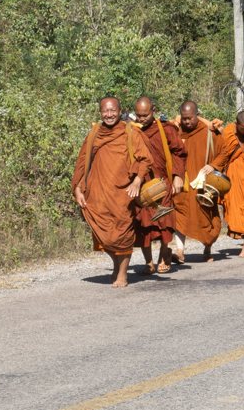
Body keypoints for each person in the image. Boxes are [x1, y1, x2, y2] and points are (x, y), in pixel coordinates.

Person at [72, 97, 152, 288]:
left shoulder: (131, 132)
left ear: (120, 111)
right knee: (103, 233)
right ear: (100, 112)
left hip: (123, 193)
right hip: (97, 193)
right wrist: (77, 188)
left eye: (113, 111)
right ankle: (116, 265)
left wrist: (137, 181)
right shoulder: (94, 134)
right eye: (105, 111)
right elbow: (82, 162)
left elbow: (145, 160)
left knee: (123, 233)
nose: (109, 115)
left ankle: (123, 274)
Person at [200, 111, 244, 258]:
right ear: (236, 124)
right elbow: (221, 150)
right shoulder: (230, 130)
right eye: (242, 128)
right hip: (231, 177)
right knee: (233, 208)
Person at [132, 97, 186, 274]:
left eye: (145, 115)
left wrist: (178, 176)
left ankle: (164, 252)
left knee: (164, 220)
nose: (142, 119)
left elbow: (179, 152)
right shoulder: (132, 131)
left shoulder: (166, 129)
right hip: (141, 184)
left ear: (153, 111)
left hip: (163, 183)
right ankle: (148, 262)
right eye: (139, 115)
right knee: (143, 225)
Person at [172, 101, 224, 263]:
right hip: (184, 182)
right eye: (184, 119)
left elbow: (224, 152)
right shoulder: (176, 131)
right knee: (179, 214)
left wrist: (213, 165)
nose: (187, 122)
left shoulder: (209, 131)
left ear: (197, 115)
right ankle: (179, 251)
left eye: (190, 118)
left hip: (203, 184)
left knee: (206, 217)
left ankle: (207, 247)